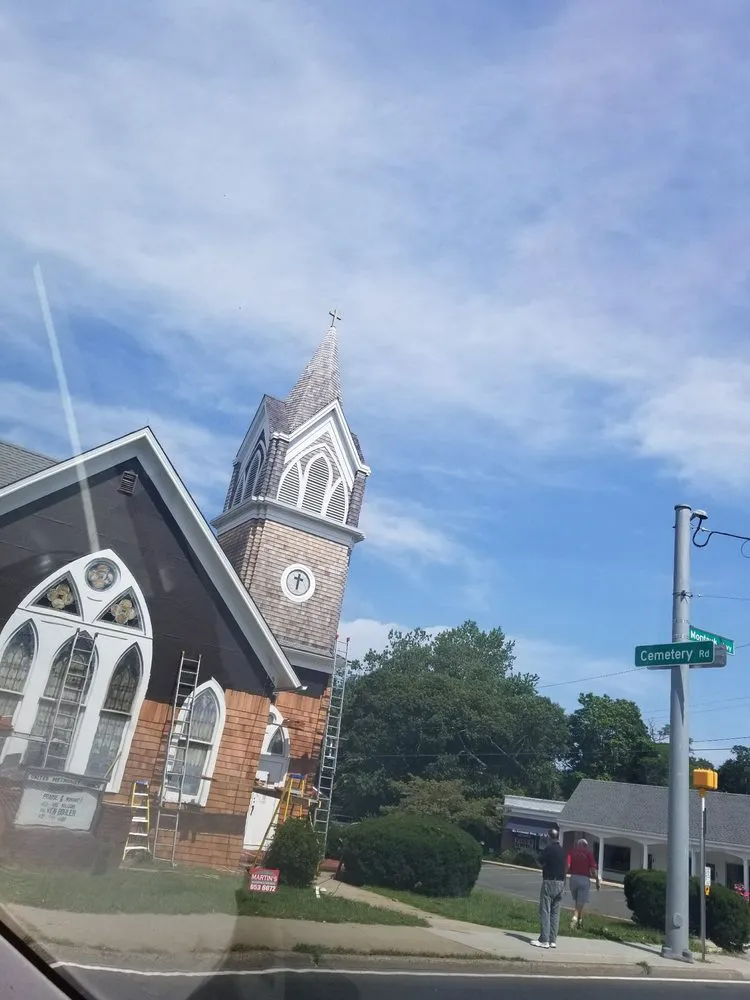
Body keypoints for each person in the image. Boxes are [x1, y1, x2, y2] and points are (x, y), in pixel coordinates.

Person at [531, 824, 566, 949]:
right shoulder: (562, 850)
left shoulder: (548, 849)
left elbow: (539, 861)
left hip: (549, 881)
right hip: (561, 882)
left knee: (545, 910)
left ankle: (544, 940)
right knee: (555, 912)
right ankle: (553, 940)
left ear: (549, 837)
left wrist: (544, 867)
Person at [568, 837, 600, 930]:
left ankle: (580, 922)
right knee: (579, 904)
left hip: (573, 878)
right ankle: (574, 919)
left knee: (578, 902)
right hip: (584, 879)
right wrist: (597, 880)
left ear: (578, 844)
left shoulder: (572, 852)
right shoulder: (589, 854)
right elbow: (593, 870)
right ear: (585, 846)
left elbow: (568, 865)